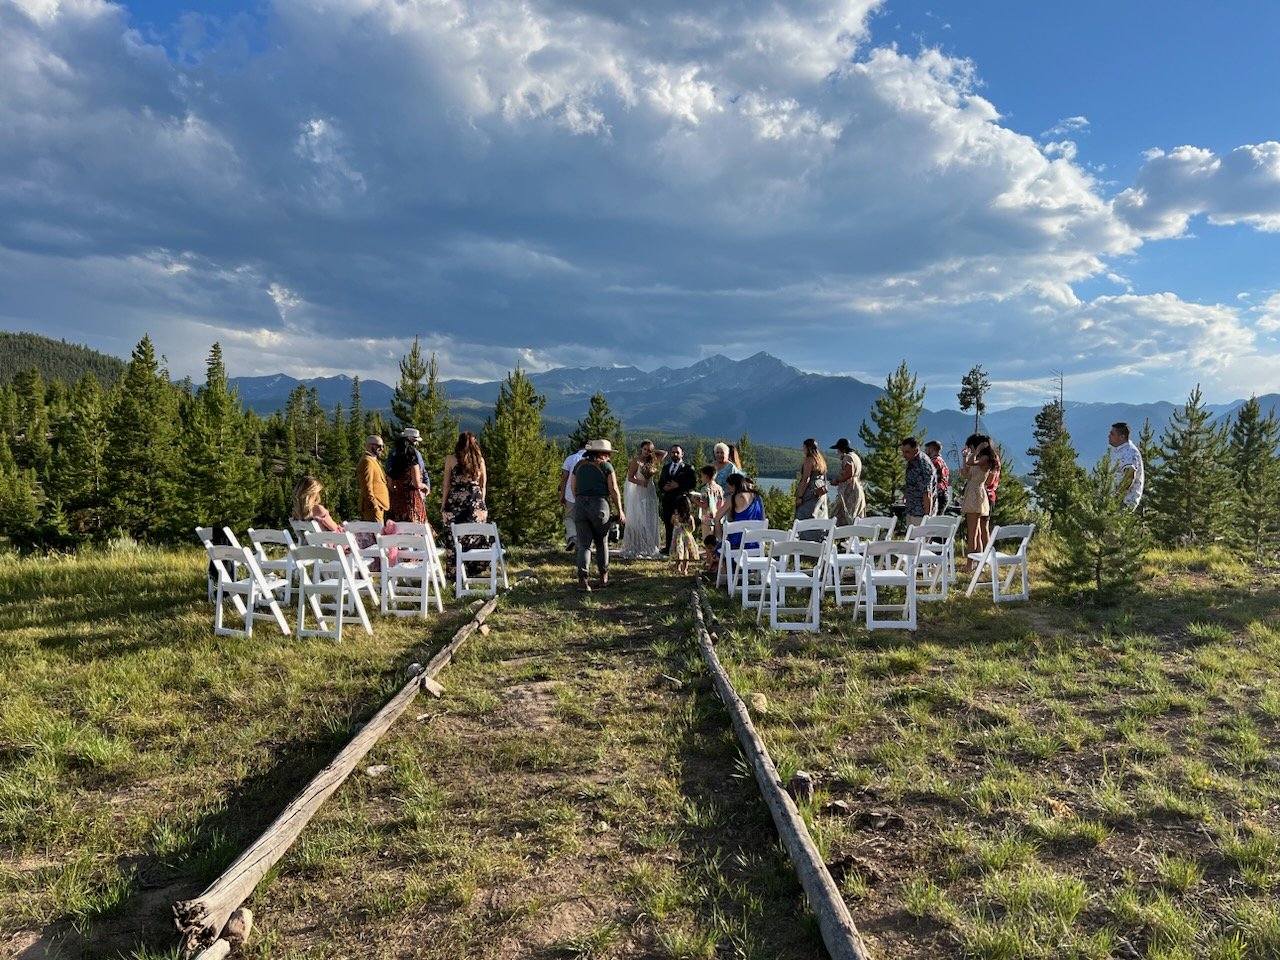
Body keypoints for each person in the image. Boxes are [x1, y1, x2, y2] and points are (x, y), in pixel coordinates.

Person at [571, 439, 626, 591]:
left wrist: (580, 501)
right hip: (600, 504)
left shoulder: (578, 466)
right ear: (601, 453)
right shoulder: (606, 466)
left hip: (581, 504)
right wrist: (620, 510)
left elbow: (572, 486)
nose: (609, 457)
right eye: (607, 454)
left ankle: (583, 579)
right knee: (602, 543)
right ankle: (603, 576)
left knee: (584, 545)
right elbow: (614, 489)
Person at [441, 431, 488, 577]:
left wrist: (443, 504)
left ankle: (455, 573)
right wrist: (481, 504)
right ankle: (472, 571)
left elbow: (446, 485)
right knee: (474, 537)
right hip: (475, 503)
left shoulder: (450, 459)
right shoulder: (479, 460)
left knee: (454, 538)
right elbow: (483, 485)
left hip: (455, 502)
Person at [620, 439, 663, 559]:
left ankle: (650, 545)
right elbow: (630, 478)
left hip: (649, 490)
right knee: (639, 518)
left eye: (649, 450)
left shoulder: (652, 461)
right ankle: (637, 545)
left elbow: (664, 454)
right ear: (641, 449)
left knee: (649, 517)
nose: (646, 452)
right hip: (639, 491)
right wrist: (640, 482)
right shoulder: (636, 461)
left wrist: (653, 453)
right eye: (645, 449)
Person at [711, 473, 766, 563]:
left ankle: (727, 574)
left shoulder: (733, 498)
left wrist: (721, 539)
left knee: (719, 549)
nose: (729, 490)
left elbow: (717, 518)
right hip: (756, 543)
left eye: (729, 488)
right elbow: (762, 519)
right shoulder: (758, 497)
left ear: (733, 486)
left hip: (738, 543)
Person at [960, 437, 996, 567]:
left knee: (973, 533)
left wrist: (976, 451)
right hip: (972, 493)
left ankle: (970, 564)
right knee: (977, 532)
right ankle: (980, 560)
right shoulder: (978, 460)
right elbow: (966, 474)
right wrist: (964, 457)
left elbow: (971, 462)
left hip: (976, 494)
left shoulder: (985, 459)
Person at [658, 444, 696, 554]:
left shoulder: (688, 468)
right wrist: (664, 487)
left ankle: (684, 548)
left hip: (681, 502)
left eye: (677, 452)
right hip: (668, 500)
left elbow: (692, 484)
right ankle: (669, 547)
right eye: (673, 452)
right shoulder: (666, 468)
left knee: (682, 526)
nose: (675, 454)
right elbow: (660, 482)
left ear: (682, 454)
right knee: (668, 524)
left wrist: (678, 485)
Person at [387, 433, 428, 524]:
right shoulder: (412, 463)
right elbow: (416, 483)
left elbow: (390, 485)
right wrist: (425, 486)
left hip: (397, 500)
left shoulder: (394, 464)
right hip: (411, 499)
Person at [794, 438, 830, 538]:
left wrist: (800, 496)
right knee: (820, 514)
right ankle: (820, 537)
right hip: (820, 490)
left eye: (804, 447)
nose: (803, 449)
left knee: (806, 514)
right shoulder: (820, 460)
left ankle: (807, 540)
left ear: (808, 448)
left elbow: (806, 478)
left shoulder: (809, 459)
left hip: (811, 490)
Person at [900, 437, 936, 530]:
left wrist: (927, 517)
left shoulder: (924, 465)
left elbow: (927, 493)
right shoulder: (911, 462)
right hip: (911, 509)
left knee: (919, 542)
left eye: (907, 452)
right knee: (910, 542)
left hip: (920, 513)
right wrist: (906, 495)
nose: (904, 455)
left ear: (915, 450)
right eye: (903, 452)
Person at [829, 438, 866, 525]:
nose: (837, 451)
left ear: (842, 449)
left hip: (849, 491)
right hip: (856, 488)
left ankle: (842, 537)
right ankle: (850, 537)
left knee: (842, 514)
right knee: (852, 516)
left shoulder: (848, 457)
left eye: (838, 449)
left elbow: (849, 472)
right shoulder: (855, 457)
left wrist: (837, 480)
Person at [559, 440, 587, 553]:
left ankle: (572, 537)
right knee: (584, 520)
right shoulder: (593, 460)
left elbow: (564, 478)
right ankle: (583, 544)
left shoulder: (570, 459)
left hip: (570, 494)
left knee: (570, 518)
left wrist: (562, 494)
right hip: (587, 495)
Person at [1108, 421, 1145, 508]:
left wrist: (1118, 497)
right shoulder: (1118, 450)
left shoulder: (1129, 452)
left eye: (1112, 434)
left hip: (1124, 502)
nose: (1109, 436)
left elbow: (1129, 476)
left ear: (1122, 437)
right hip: (1114, 500)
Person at [357, 435, 390, 522]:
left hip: (378, 507)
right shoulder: (367, 462)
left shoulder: (373, 461)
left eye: (382, 446)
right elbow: (366, 487)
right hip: (372, 508)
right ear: (369, 446)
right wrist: (374, 505)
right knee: (376, 534)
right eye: (378, 446)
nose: (381, 449)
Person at [387, 427, 428, 494]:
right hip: (412, 495)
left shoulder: (393, 455)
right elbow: (417, 483)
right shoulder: (413, 456)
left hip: (398, 496)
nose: (417, 444)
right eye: (415, 441)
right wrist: (425, 486)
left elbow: (390, 480)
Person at [669, 495, 700, 576]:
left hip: (678, 537)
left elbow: (672, 522)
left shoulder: (675, 516)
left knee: (679, 552)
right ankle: (685, 569)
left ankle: (677, 566)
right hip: (687, 537)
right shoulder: (690, 517)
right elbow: (693, 528)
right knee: (686, 553)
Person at [694, 465, 723, 541]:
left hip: (707, 519)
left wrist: (695, 500)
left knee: (707, 541)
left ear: (706, 476)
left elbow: (705, 505)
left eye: (702, 476)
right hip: (718, 517)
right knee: (717, 541)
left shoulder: (705, 489)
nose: (701, 478)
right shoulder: (719, 488)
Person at [924, 440, 950, 515]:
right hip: (943, 494)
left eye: (926, 449)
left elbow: (928, 478)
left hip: (938, 495)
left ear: (931, 449)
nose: (925, 452)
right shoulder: (942, 461)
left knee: (932, 521)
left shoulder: (934, 462)